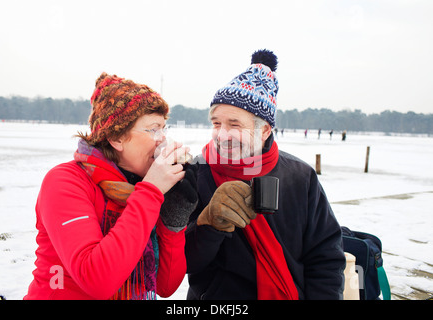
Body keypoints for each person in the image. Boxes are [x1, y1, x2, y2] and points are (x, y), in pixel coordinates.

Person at [185, 50, 345, 300]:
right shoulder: (197, 173)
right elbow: (183, 262)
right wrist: (209, 225)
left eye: (234, 124)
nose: (222, 134)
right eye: (216, 123)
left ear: (264, 130)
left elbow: (325, 257)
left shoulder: (300, 177)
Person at [25, 72, 197, 300]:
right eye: (153, 129)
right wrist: (151, 192)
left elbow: (165, 286)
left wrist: (174, 221)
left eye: (165, 129)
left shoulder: (140, 185)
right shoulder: (65, 182)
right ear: (116, 138)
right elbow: (97, 281)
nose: (162, 140)